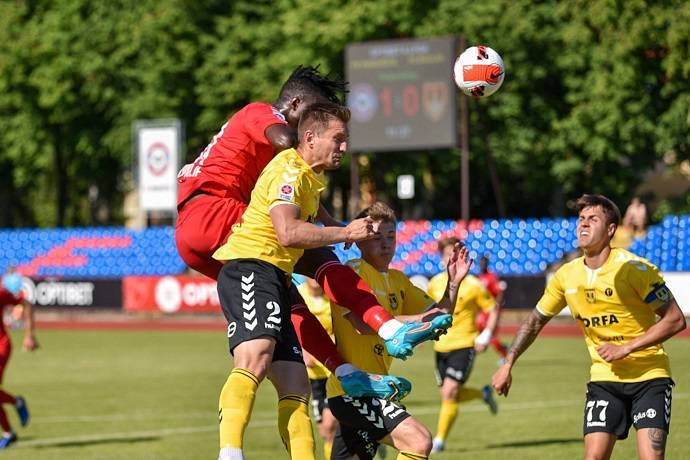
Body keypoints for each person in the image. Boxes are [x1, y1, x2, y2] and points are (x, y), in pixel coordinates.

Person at [212, 103, 451, 460]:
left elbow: (317, 218)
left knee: (296, 386)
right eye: (338, 139)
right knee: (255, 358)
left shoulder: (310, 179)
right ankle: (230, 453)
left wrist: (340, 227)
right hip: (251, 265)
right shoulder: (290, 173)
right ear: (309, 137)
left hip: (277, 275)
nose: (344, 147)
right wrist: (344, 231)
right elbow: (289, 232)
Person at [175, 65, 450, 374]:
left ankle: (343, 371)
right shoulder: (262, 114)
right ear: (294, 105)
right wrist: (316, 139)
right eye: (312, 114)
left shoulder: (275, 165)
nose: (314, 124)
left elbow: (294, 195)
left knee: (283, 292)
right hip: (217, 213)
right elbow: (285, 139)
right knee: (321, 256)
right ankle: (389, 329)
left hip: (193, 231)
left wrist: (330, 220)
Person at [492, 194, 686, 460]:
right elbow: (535, 321)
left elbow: (675, 319)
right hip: (604, 380)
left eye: (593, 219)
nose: (583, 224)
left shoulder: (633, 269)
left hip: (649, 378)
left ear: (610, 230)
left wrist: (626, 348)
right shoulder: (566, 275)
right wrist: (507, 362)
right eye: (581, 219)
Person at [325, 202, 466, 460]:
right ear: (360, 241)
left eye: (391, 236)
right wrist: (421, 321)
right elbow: (363, 325)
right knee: (418, 441)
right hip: (354, 390)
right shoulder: (352, 273)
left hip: (375, 388)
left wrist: (453, 284)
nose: (386, 243)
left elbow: (440, 316)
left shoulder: (399, 280)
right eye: (377, 237)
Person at [426, 238, 500, 453]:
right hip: (440, 346)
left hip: (464, 344)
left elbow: (493, 308)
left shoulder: (474, 284)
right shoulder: (435, 284)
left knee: (449, 392)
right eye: (449, 254)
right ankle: (483, 394)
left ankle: (439, 441)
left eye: (457, 254)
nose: (453, 258)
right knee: (450, 394)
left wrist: (485, 335)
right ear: (442, 257)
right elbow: (429, 313)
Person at [296, 276, 338, 460]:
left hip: (334, 370)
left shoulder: (333, 298)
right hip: (313, 375)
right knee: (324, 432)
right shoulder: (298, 295)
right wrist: (303, 350)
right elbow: (291, 326)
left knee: (329, 424)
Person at [0, 272, 38, 449]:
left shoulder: (1, 293)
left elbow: (26, 302)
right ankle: (9, 432)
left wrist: (29, 335)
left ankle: (16, 406)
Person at [477, 255, 508, 361]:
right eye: (480, 263)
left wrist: (496, 307)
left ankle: (504, 354)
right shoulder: (480, 277)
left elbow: (499, 292)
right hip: (482, 310)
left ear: (487, 264)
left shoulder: (491, 277)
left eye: (484, 263)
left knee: (490, 334)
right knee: (478, 329)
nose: (482, 265)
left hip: (490, 311)